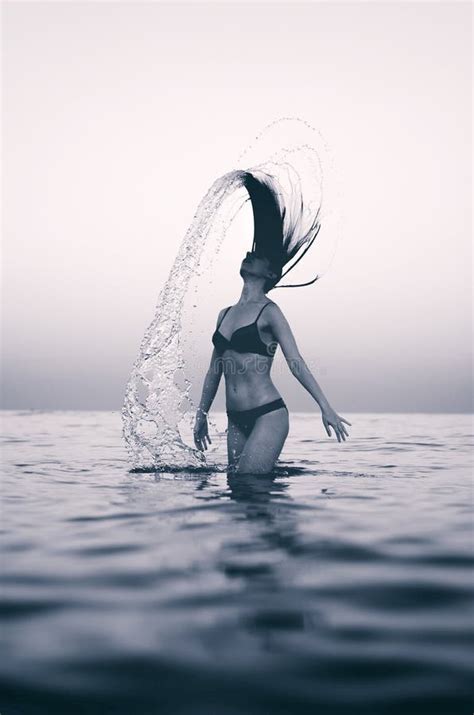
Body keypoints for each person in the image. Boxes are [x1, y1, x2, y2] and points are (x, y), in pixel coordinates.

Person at [193, 249, 351, 474]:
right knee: (238, 487)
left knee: (250, 481)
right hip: (235, 418)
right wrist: (202, 415)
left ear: (270, 274)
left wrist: (325, 407)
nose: (248, 253)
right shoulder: (224, 314)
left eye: (257, 255)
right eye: (248, 252)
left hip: (267, 413)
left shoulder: (270, 312)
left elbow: (295, 362)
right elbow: (213, 372)